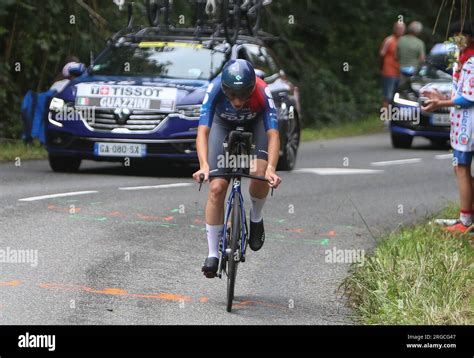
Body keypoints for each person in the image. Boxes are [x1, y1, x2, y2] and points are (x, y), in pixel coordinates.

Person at [192, 59, 282, 278]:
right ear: (224, 88)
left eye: (244, 94)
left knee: (259, 174)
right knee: (217, 188)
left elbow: (273, 135)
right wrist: (204, 165)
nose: (238, 101)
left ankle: (256, 217)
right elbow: (203, 132)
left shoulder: (262, 90)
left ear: (253, 86)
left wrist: (271, 168)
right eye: (232, 94)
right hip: (222, 126)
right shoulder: (214, 88)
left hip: (256, 123)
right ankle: (213, 252)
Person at [422, 21, 474, 233]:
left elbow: (469, 98)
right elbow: (459, 93)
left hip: (468, 124)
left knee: (462, 168)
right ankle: (467, 216)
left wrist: (440, 104)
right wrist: (441, 97)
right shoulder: (461, 61)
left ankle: (465, 221)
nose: (457, 39)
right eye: (454, 35)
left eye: (462, 35)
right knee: (459, 167)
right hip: (460, 123)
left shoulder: (471, 62)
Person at [380, 21, 406, 108]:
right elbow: (382, 54)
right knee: (388, 96)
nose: (400, 30)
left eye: (402, 28)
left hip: (401, 73)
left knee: (399, 96)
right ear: (394, 29)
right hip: (389, 72)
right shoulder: (389, 40)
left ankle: (396, 117)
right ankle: (385, 117)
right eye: (398, 28)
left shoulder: (404, 42)